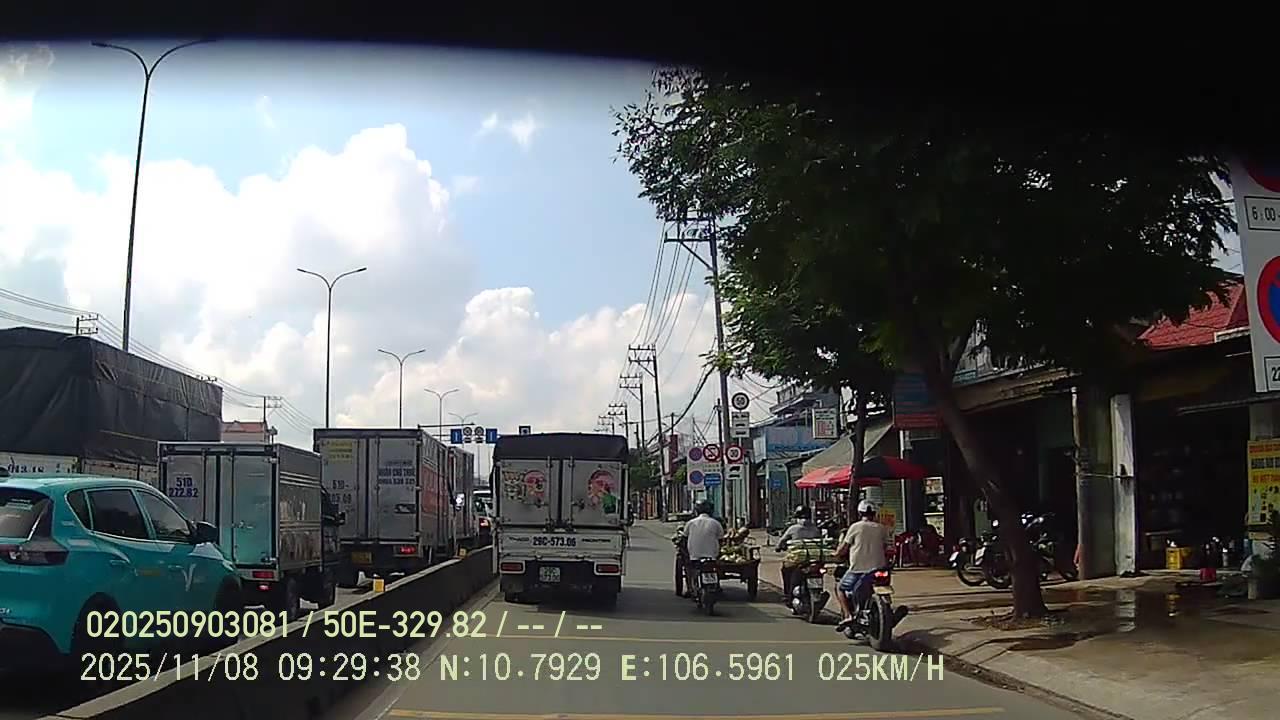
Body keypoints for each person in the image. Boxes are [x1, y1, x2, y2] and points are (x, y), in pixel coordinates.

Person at [833, 500, 893, 631]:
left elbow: (844, 548)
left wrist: (835, 554)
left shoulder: (855, 527)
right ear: (874, 513)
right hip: (879, 568)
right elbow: (888, 548)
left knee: (840, 588)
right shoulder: (882, 528)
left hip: (858, 569)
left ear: (860, 513)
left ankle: (848, 615)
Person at [775, 505, 824, 603]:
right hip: (814, 560)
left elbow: (781, 542)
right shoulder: (816, 529)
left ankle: (788, 595)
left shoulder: (793, 528)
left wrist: (778, 548)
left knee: (785, 569)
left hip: (798, 560)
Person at [683, 500, 725, 587]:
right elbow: (721, 539)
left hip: (694, 556)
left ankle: (691, 587)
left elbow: (685, 536)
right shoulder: (716, 523)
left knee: (689, 568)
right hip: (712, 557)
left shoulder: (690, 523)